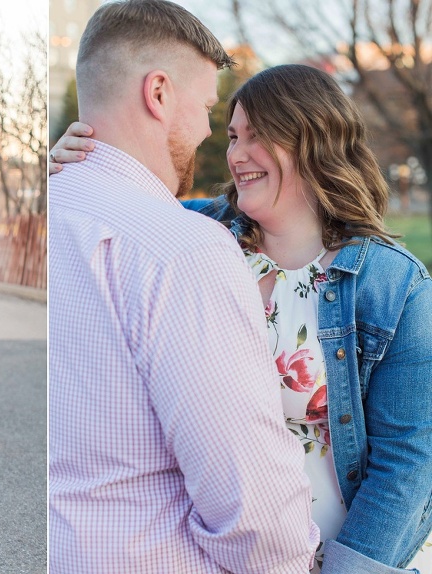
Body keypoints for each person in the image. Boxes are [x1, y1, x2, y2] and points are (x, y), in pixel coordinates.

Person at [50, 63, 432, 573]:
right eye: (232, 136)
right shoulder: (193, 231)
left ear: (314, 139)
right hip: (213, 552)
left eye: (258, 136)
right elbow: (107, 212)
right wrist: (62, 168)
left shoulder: (392, 284)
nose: (235, 155)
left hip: (342, 555)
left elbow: (408, 460)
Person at [49, 1, 320, 572]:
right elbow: (254, 510)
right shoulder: (184, 249)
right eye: (205, 108)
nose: (208, 135)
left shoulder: (52, 209)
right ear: (159, 93)